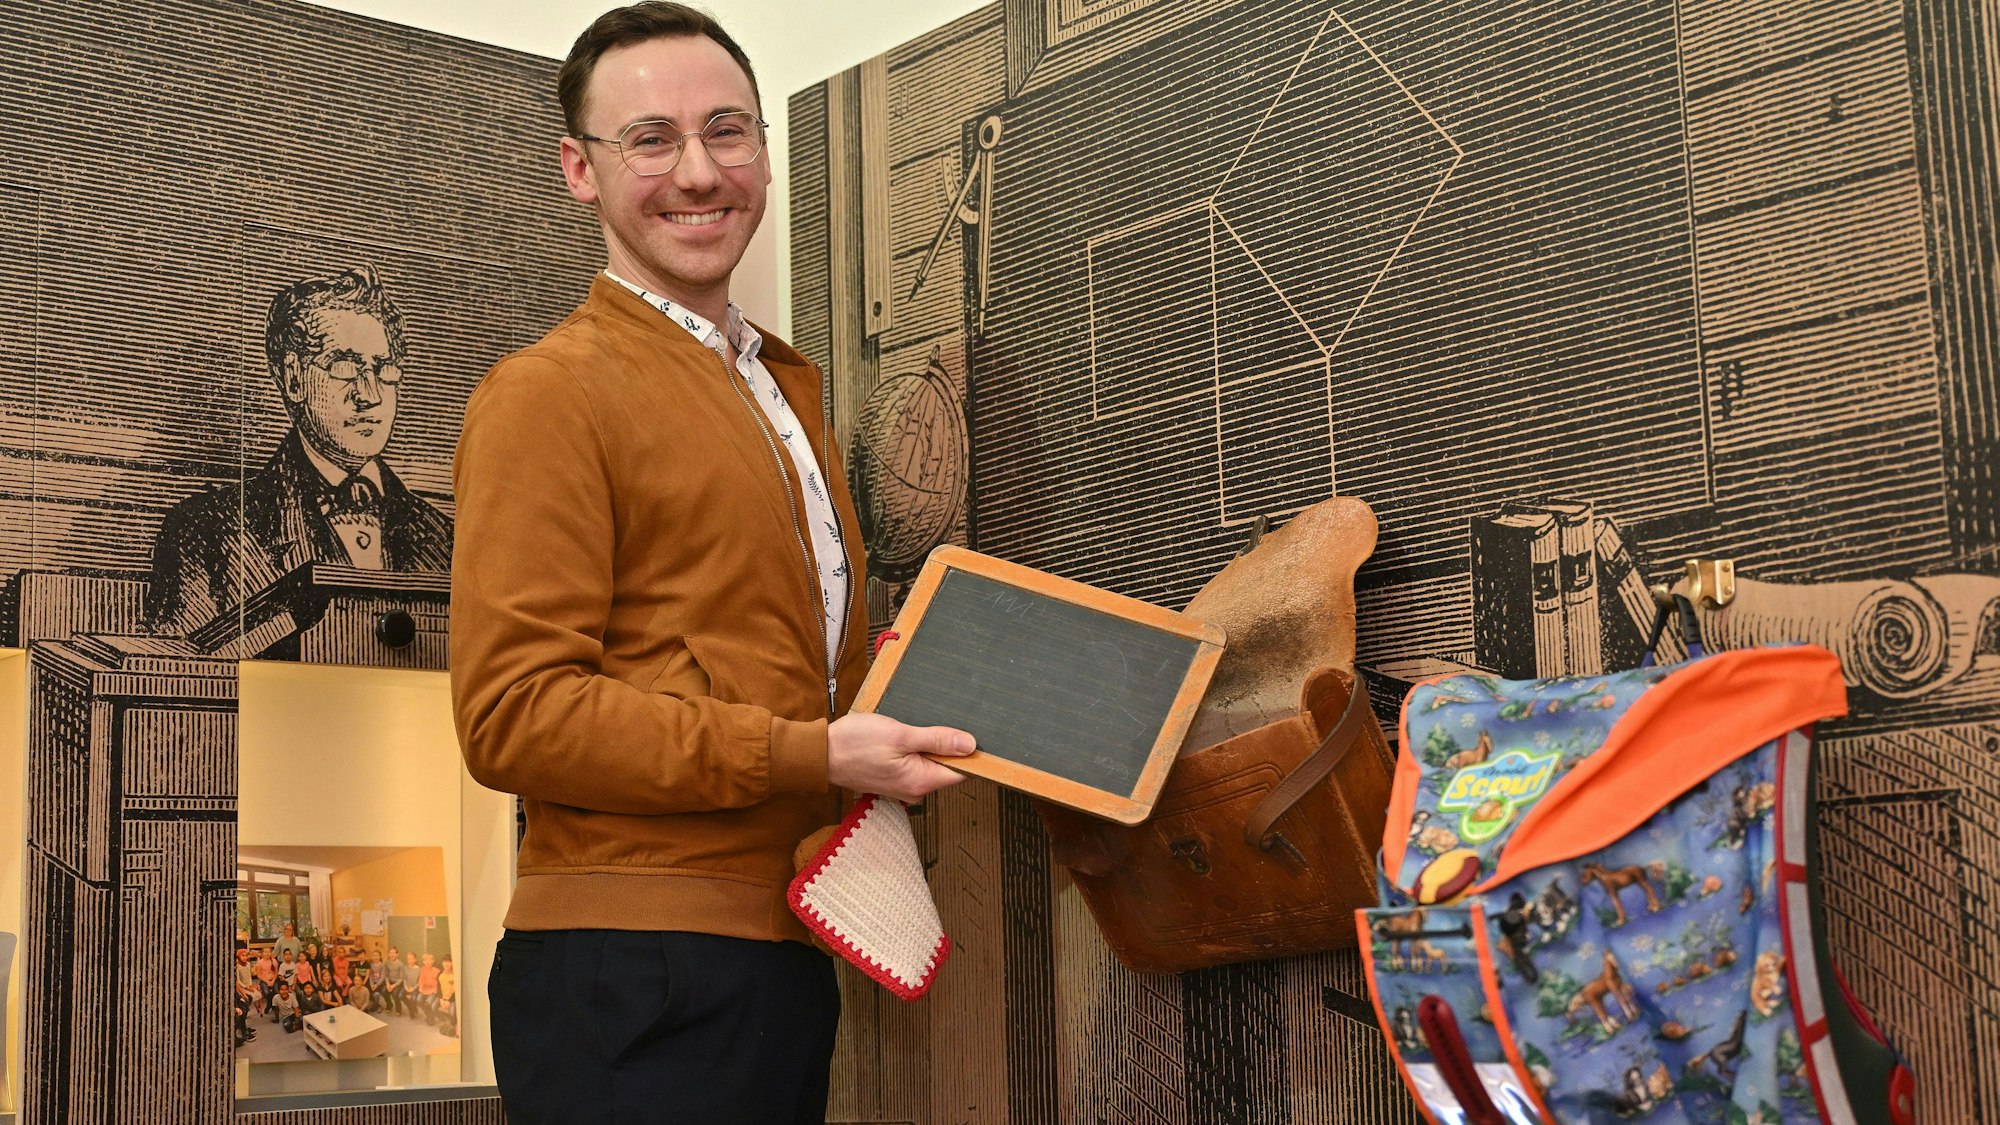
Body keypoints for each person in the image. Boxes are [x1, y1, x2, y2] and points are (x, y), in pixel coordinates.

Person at [449, 5, 975, 1121]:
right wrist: (813, 750)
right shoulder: (545, 394)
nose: (698, 171)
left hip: (771, 955)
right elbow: (512, 716)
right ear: (580, 170)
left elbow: (751, 662)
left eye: (726, 131)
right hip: (634, 975)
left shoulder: (780, 390)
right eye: (651, 140)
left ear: (764, 154)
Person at [145, 264, 455, 636]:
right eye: (345, 367)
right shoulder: (208, 531)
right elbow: (177, 669)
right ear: (294, 379)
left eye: (383, 369)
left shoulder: (444, 537)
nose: (370, 395)